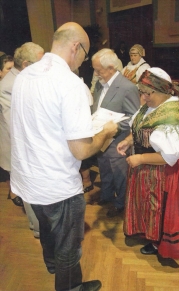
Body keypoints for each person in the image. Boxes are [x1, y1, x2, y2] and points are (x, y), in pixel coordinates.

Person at [10, 22, 117, 291]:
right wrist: (105, 133)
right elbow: (81, 150)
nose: (82, 60)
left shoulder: (24, 74)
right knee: (70, 245)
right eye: (85, 53)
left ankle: (52, 265)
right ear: (75, 47)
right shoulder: (69, 83)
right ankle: (71, 288)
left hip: (28, 178)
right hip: (57, 184)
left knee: (46, 230)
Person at [117, 68, 179, 261]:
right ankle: (150, 235)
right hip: (149, 171)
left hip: (165, 173)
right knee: (150, 207)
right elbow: (143, 128)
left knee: (161, 209)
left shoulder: (171, 116)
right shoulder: (153, 106)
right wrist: (128, 140)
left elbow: (170, 156)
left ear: (162, 90)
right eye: (140, 91)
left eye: (147, 92)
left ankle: (161, 244)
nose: (143, 97)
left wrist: (140, 159)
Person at [92, 48, 140, 217]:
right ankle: (106, 196)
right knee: (104, 169)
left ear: (111, 68)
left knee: (120, 175)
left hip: (117, 140)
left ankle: (120, 205)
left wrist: (115, 128)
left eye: (99, 70)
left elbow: (134, 118)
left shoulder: (127, 87)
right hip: (100, 137)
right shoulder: (99, 84)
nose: (96, 73)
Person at [0, 42, 44, 208]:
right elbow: (14, 123)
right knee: (29, 190)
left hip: (28, 145)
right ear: (26, 64)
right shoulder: (9, 85)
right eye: (39, 63)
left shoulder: (22, 78)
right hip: (20, 147)